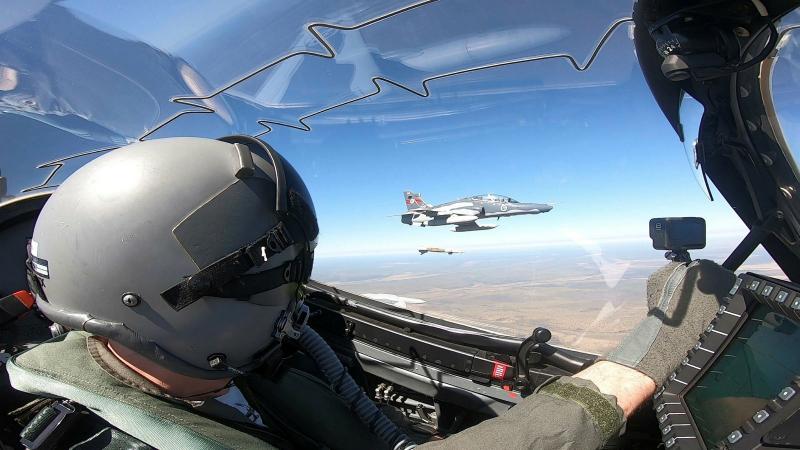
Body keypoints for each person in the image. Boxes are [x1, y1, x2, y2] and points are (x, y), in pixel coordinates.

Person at [6, 136, 735, 449]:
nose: (301, 300)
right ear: (157, 302)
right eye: (278, 274)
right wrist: (631, 368)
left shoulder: (202, 365)